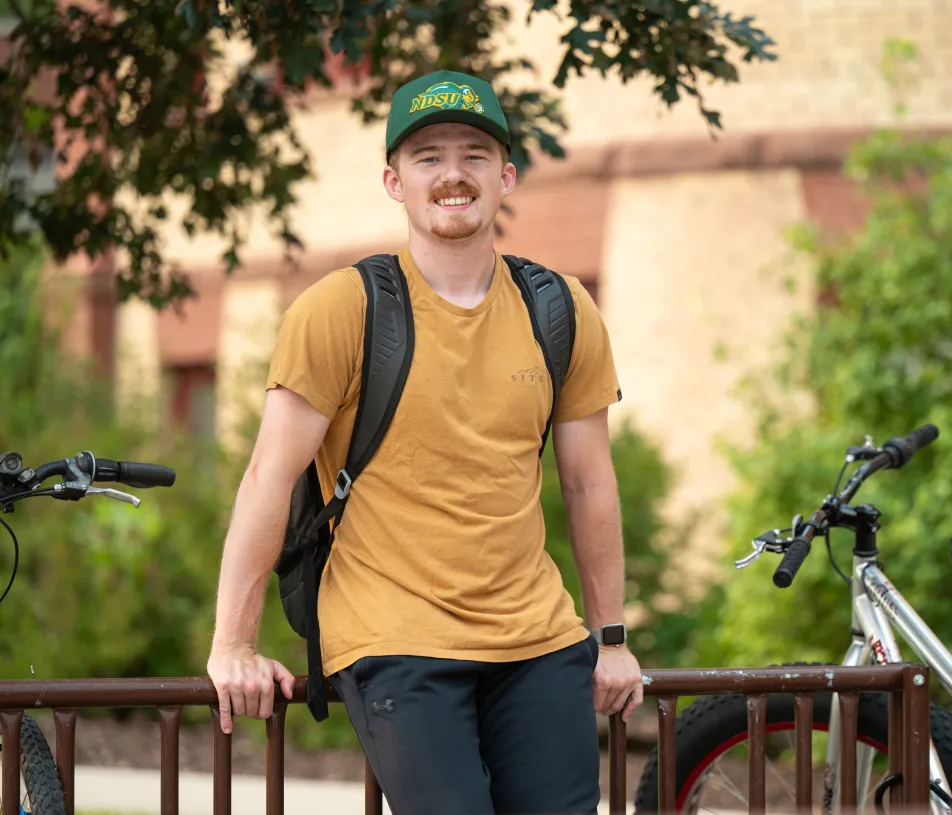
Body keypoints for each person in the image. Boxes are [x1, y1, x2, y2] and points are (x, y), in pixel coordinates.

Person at [205, 69, 643, 815]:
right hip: (396, 637)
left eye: (474, 154)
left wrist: (608, 638)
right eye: (427, 156)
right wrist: (234, 644)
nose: (452, 175)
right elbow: (267, 478)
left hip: (536, 640)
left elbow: (589, 483)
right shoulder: (343, 309)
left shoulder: (560, 309)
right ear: (394, 180)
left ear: (506, 177)